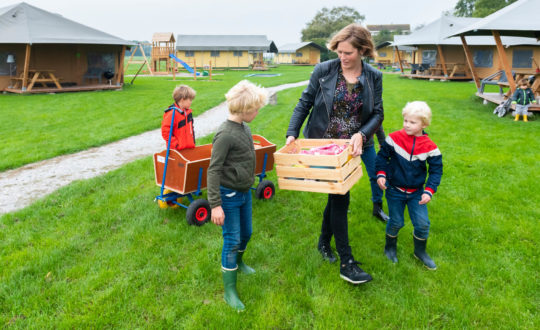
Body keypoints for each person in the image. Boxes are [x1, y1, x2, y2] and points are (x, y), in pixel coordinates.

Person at [286, 23, 384, 285]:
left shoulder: (374, 76)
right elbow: (305, 102)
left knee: (336, 194)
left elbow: (378, 114)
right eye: (339, 51)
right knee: (340, 196)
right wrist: (292, 133)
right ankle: (346, 262)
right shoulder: (324, 70)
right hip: (324, 145)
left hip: (352, 147)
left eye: (348, 53)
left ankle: (322, 244)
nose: (342, 57)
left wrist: (362, 135)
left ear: (362, 50)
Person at [207, 80, 267, 311]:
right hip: (228, 196)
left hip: (244, 193)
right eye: (255, 108)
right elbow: (213, 169)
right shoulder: (224, 135)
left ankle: (239, 262)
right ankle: (229, 291)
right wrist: (215, 205)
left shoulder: (245, 127)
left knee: (247, 233)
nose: (257, 111)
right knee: (231, 241)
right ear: (243, 109)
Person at [375, 101, 443, 270]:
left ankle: (420, 252)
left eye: (412, 122)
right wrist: (381, 174)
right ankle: (390, 248)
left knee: (422, 223)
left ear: (424, 124)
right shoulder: (393, 139)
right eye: (405, 120)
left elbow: (436, 171)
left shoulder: (431, 147)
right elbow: (382, 158)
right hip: (394, 190)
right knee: (396, 221)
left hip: (417, 193)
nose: (407, 125)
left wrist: (429, 191)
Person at [161, 85, 197, 151]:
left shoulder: (188, 112)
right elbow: (165, 132)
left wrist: (193, 142)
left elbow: (191, 129)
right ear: (182, 99)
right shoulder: (172, 113)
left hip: (188, 149)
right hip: (176, 151)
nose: (191, 102)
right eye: (190, 100)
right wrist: (176, 145)